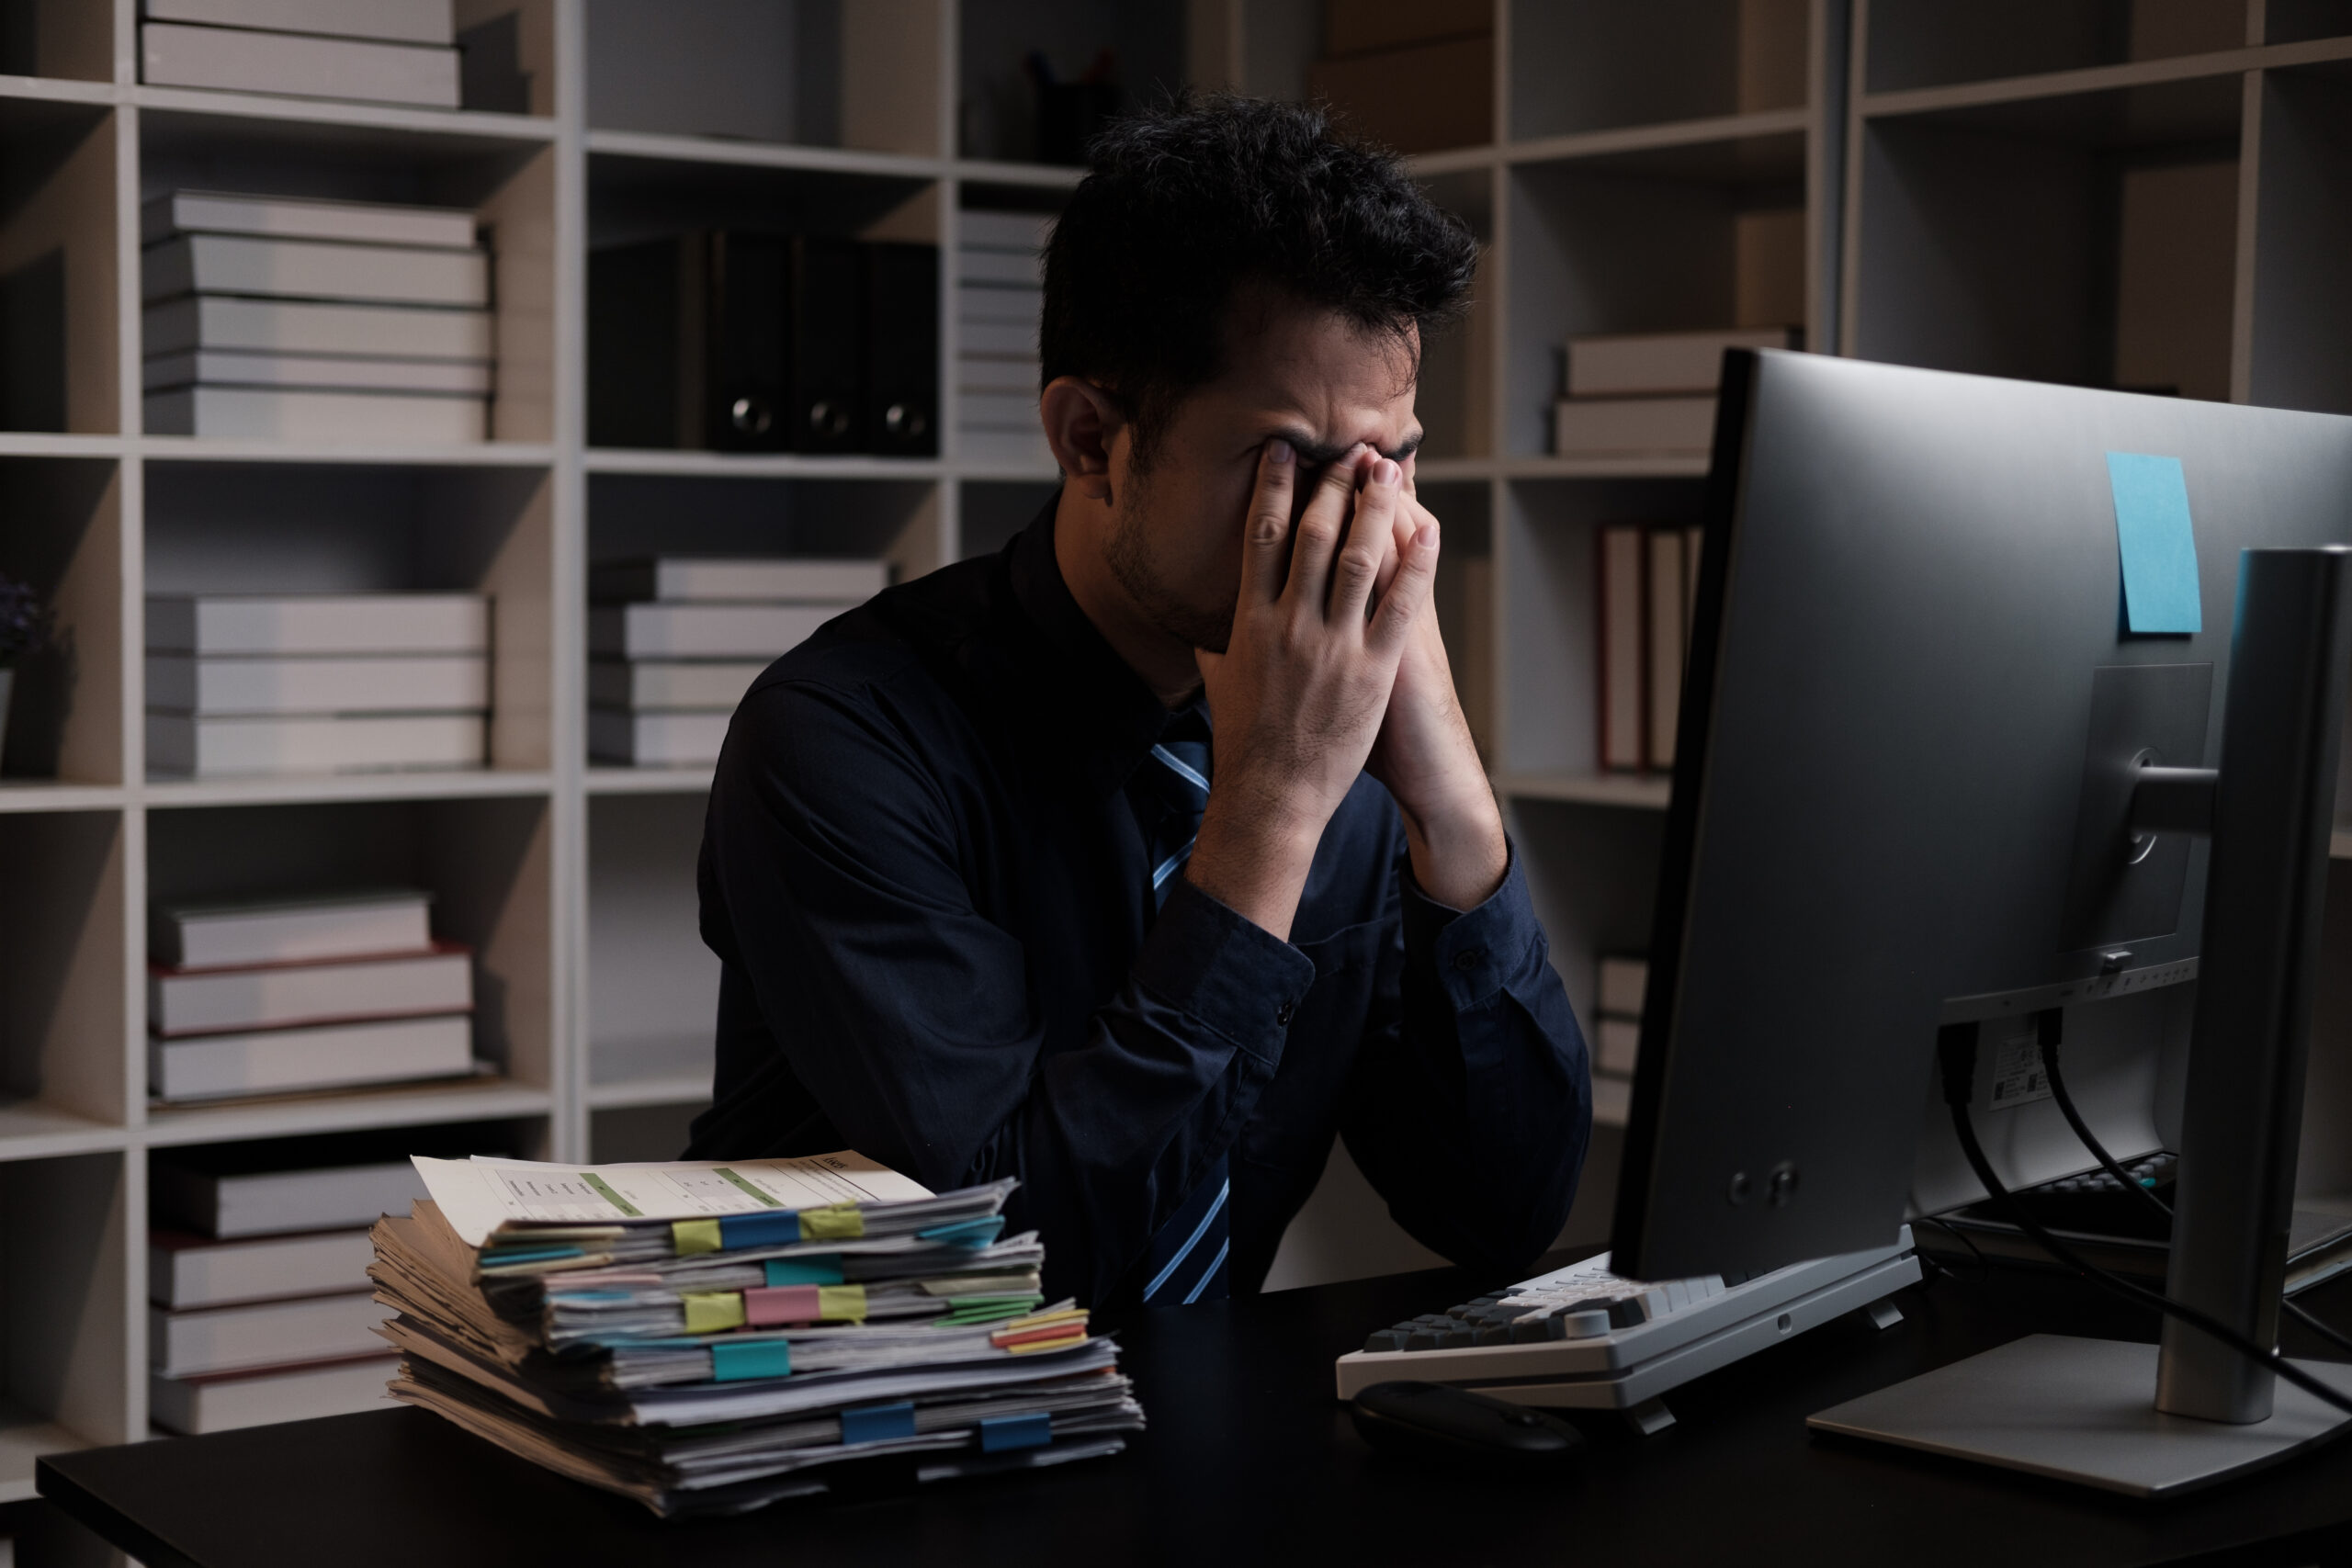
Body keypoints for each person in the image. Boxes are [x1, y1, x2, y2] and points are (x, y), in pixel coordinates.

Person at [688, 96, 1590, 1308]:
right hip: (873, 1452)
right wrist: (1267, 821)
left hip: (1201, 1459)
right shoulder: (840, 740)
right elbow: (1023, 1260)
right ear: (1091, 441)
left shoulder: (1355, 761)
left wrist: (1456, 816)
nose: (1364, 537)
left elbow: (1500, 1216)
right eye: (1296, 469)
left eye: (1392, 463)